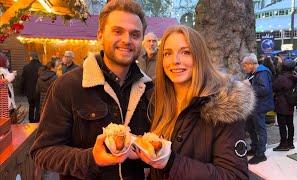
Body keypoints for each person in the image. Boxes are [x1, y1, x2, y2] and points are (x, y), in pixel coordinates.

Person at [30, 0, 152, 179]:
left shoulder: (149, 90)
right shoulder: (67, 86)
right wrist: (90, 159)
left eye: (135, 34)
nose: (127, 40)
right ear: (100, 35)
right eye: (117, 31)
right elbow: (42, 151)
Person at [136, 25, 255, 179]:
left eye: (186, 52)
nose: (175, 61)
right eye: (167, 53)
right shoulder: (156, 101)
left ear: (199, 56)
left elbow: (235, 176)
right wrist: (139, 151)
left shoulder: (223, 106)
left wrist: (172, 163)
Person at [242, 53, 274, 164]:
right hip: (255, 105)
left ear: (251, 64)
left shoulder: (262, 72)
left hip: (260, 106)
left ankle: (261, 154)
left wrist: (249, 86)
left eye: (245, 65)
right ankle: (255, 148)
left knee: (260, 129)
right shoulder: (255, 73)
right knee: (250, 126)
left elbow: (264, 90)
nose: (244, 67)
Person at [272, 60, 297, 151]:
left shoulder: (281, 78)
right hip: (291, 103)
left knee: (282, 125)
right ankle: (290, 143)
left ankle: (283, 144)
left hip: (282, 104)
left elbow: (273, 87)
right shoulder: (295, 77)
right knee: (290, 124)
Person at [21, 51, 42, 122]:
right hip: (39, 91)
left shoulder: (26, 67)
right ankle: (36, 121)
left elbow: (23, 80)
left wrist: (22, 90)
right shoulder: (41, 67)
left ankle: (31, 121)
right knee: (38, 107)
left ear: (31, 57)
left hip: (29, 91)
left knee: (31, 106)